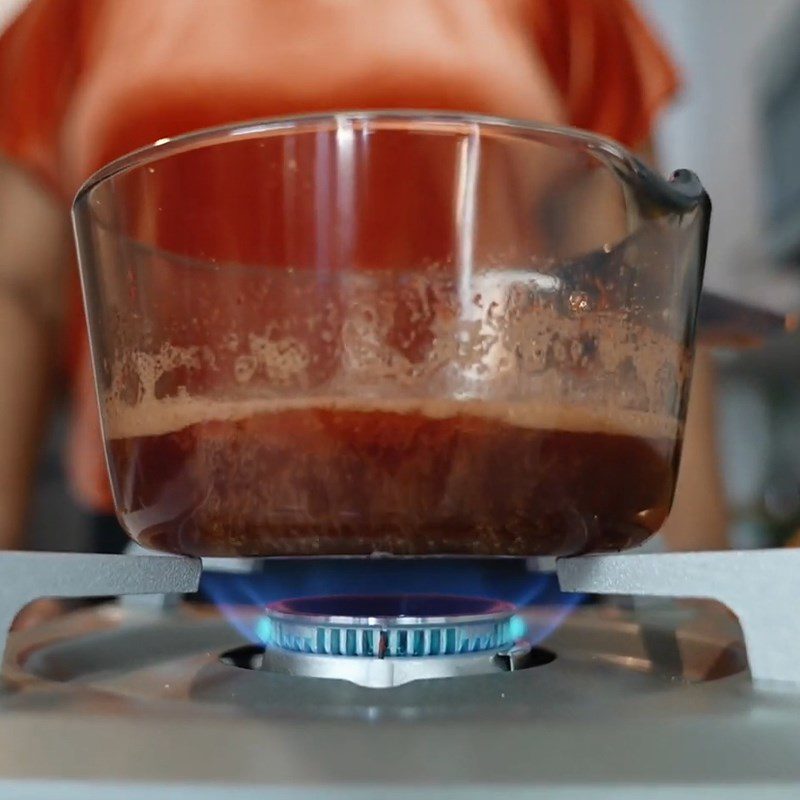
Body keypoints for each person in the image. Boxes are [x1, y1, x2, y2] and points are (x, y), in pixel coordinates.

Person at [0, 0, 726, 558]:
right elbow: (17, 288)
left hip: (523, 516)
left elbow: (645, 287)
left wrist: (710, 613)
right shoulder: (73, 10)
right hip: (172, 527)